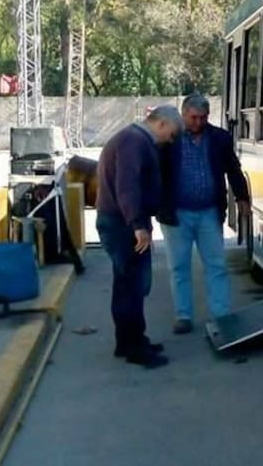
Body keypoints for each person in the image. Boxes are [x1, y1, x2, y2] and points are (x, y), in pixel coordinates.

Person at [96, 105, 182, 368]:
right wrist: (137, 225)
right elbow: (127, 185)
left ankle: (130, 340)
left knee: (128, 284)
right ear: (163, 124)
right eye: (172, 134)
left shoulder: (132, 139)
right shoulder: (134, 142)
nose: (170, 140)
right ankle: (133, 347)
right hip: (123, 225)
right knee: (132, 286)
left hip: (123, 222)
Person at [157, 94, 251, 334]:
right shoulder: (169, 138)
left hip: (209, 212)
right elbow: (154, 172)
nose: (198, 122)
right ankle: (183, 315)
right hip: (177, 214)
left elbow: (233, 169)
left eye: (203, 118)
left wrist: (242, 198)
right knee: (179, 266)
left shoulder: (219, 138)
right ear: (183, 114)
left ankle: (221, 314)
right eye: (194, 118)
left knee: (216, 264)